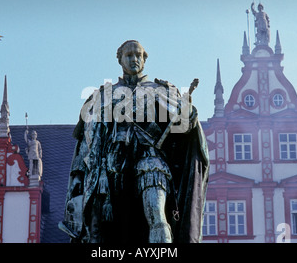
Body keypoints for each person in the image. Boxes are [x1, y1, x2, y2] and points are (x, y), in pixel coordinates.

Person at [60, 40, 209, 243]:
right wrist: (78, 178)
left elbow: (184, 131)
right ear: (120, 59)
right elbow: (87, 141)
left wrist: (188, 114)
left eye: (138, 55)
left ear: (144, 59)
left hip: (150, 159)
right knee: (97, 228)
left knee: (157, 214)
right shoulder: (103, 96)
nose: (134, 59)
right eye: (129, 55)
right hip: (110, 167)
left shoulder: (162, 90)